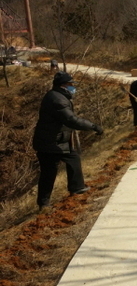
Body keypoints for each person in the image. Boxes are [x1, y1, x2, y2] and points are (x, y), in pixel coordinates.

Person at [32, 71, 104, 209]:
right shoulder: (57, 100)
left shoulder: (59, 96)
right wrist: (93, 126)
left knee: (73, 158)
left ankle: (76, 188)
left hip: (57, 140)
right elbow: (71, 120)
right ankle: (43, 203)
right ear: (63, 85)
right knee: (49, 173)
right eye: (71, 84)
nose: (73, 87)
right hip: (49, 143)